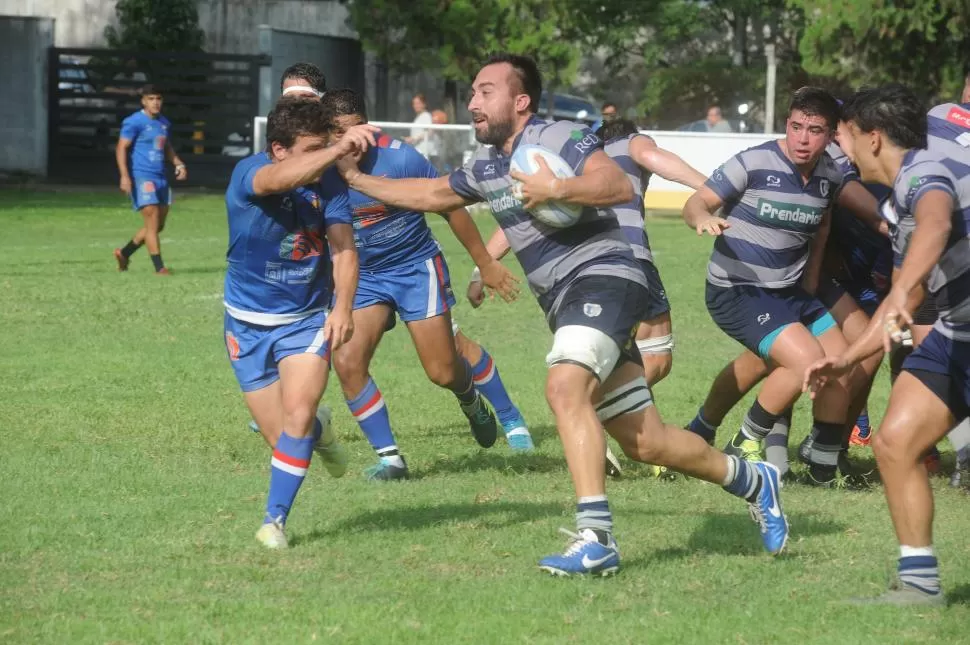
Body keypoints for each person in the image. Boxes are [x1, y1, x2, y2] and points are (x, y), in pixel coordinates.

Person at [334, 52, 788, 576]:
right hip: (565, 298)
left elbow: (616, 185)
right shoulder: (485, 166)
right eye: (473, 93)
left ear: (520, 101)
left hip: (606, 275)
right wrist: (356, 178)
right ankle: (754, 480)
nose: (473, 101)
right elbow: (433, 193)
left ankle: (596, 537)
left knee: (564, 387)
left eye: (486, 91)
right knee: (646, 441)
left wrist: (559, 189)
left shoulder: (554, 138)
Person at [805, 83, 970, 605]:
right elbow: (908, 291)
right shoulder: (902, 191)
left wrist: (900, 292)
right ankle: (920, 586)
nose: (840, 150)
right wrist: (848, 359)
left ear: (873, 139)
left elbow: (937, 223)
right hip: (957, 331)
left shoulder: (925, 171)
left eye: (844, 138)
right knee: (895, 442)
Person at [319, 89, 532, 481]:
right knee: (347, 361)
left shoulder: (401, 158)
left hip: (416, 268)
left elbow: (450, 206)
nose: (349, 142)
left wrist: (484, 262)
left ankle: (474, 400)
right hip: (365, 277)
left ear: (367, 126)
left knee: (442, 370)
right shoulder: (319, 169)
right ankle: (392, 461)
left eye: (355, 131)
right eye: (338, 134)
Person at [682, 87, 869, 486]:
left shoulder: (829, 176)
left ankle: (820, 468)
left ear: (830, 135)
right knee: (806, 362)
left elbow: (821, 230)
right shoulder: (753, 161)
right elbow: (697, 202)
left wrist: (813, 279)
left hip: (789, 292)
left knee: (842, 365)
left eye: (815, 130)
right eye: (796, 127)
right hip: (738, 289)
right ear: (786, 124)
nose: (803, 139)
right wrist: (701, 218)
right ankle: (744, 441)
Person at [223, 98, 378, 549]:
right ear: (278, 149)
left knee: (297, 415)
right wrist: (333, 150)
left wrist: (343, 307)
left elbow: (344, 248)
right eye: (310, 149)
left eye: (323, 146)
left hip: (306, 319)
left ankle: (274, 522)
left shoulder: (327, 182)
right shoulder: (250, 173)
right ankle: (319, 431)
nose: (321, 156)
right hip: (246, 323)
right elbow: (277, 181)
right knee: (286, 439)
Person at [113, 85, 187, 275]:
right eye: (151, 98)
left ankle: (124, 253)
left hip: (161, 177)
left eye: (158, 98)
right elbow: (121, 148)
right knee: (152, 220)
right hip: (142, 176)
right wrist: (124, 176)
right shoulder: (134, 122)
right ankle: (159, 267)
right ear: (143, 101)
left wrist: (178, 164)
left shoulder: (163, 123)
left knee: (157, 225)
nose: (155, 102)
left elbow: (166, 146)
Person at [405, 93, 436, 160]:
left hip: (424, 152)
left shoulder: (426, 115)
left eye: (418, 103)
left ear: (424, 104)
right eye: (414, 103)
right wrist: (412, 139)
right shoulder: (419, 117)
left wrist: (414, 139)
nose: (416, 106)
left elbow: (430, 132)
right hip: (419, 151)